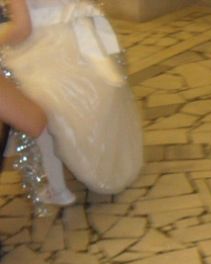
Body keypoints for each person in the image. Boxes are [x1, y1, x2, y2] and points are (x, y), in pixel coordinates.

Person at [0, 0, 142, 214]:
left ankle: (58, 189)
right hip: (76, 42)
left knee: (43, 111)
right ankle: (95, 157)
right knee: (69, 108)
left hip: (42, 47)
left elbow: (23, 29)